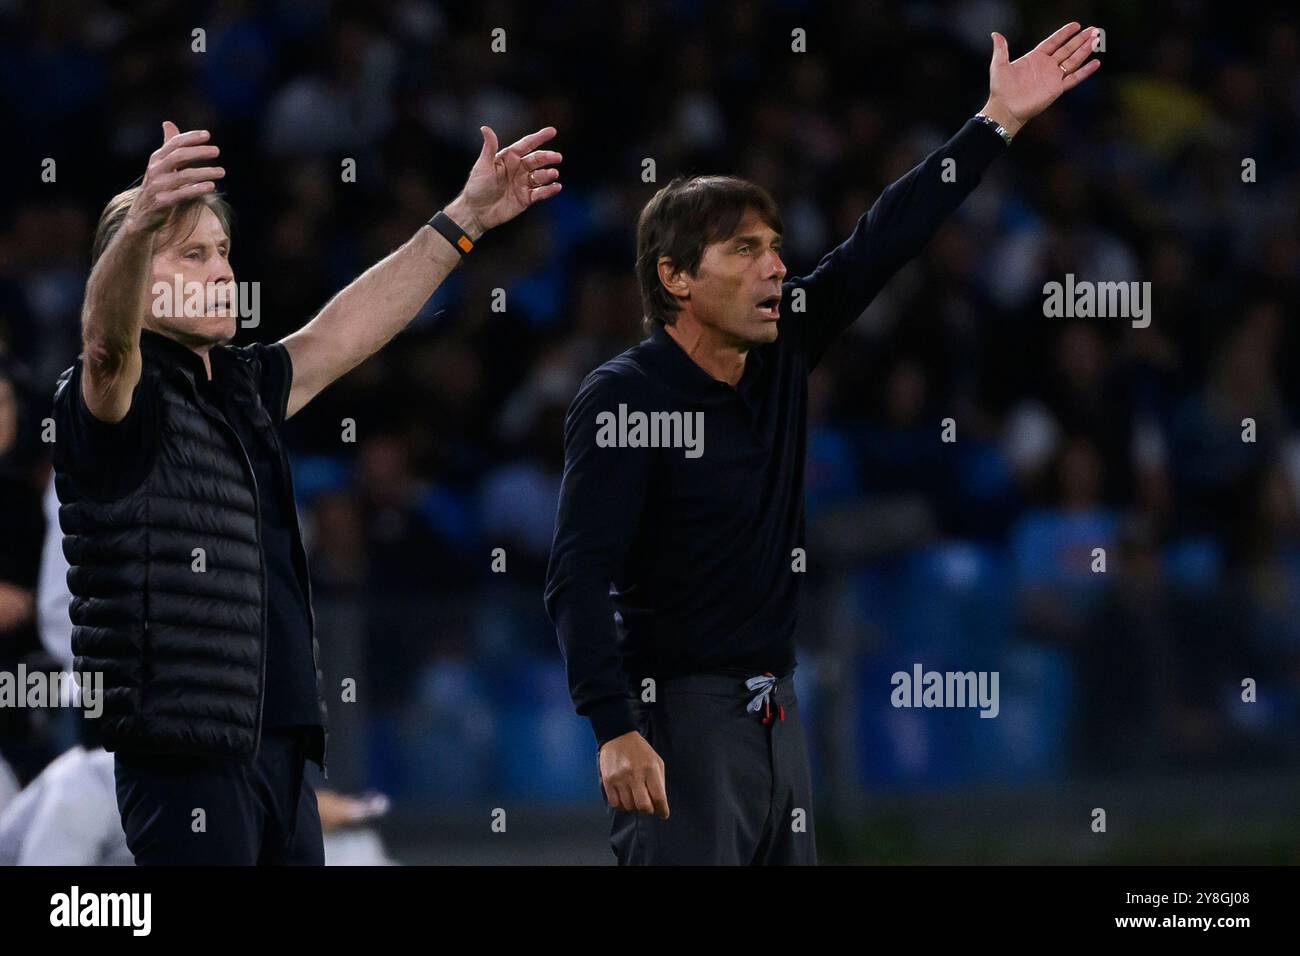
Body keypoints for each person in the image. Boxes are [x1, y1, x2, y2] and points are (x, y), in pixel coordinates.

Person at [545, 24, 1100, 864]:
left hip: (778, 714)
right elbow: (577, 574)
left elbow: (883, 239)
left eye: (775, 249)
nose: (776, 269)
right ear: (675, 278)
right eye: (745, 251)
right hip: (680, 722)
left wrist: (994, 124)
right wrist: (614, 727)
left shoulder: (781, 349)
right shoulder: (624, 397)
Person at [50, 118, 562, 865]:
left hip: (282, 751)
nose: (222, 272)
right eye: (191, 255)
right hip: (184, 757)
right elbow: (104, 341)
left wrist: (466, 219)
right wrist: (139, 229)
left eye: (222, 252)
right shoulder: (112, 398)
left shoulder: (242, 388)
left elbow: (345, 330)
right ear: (135, 275)